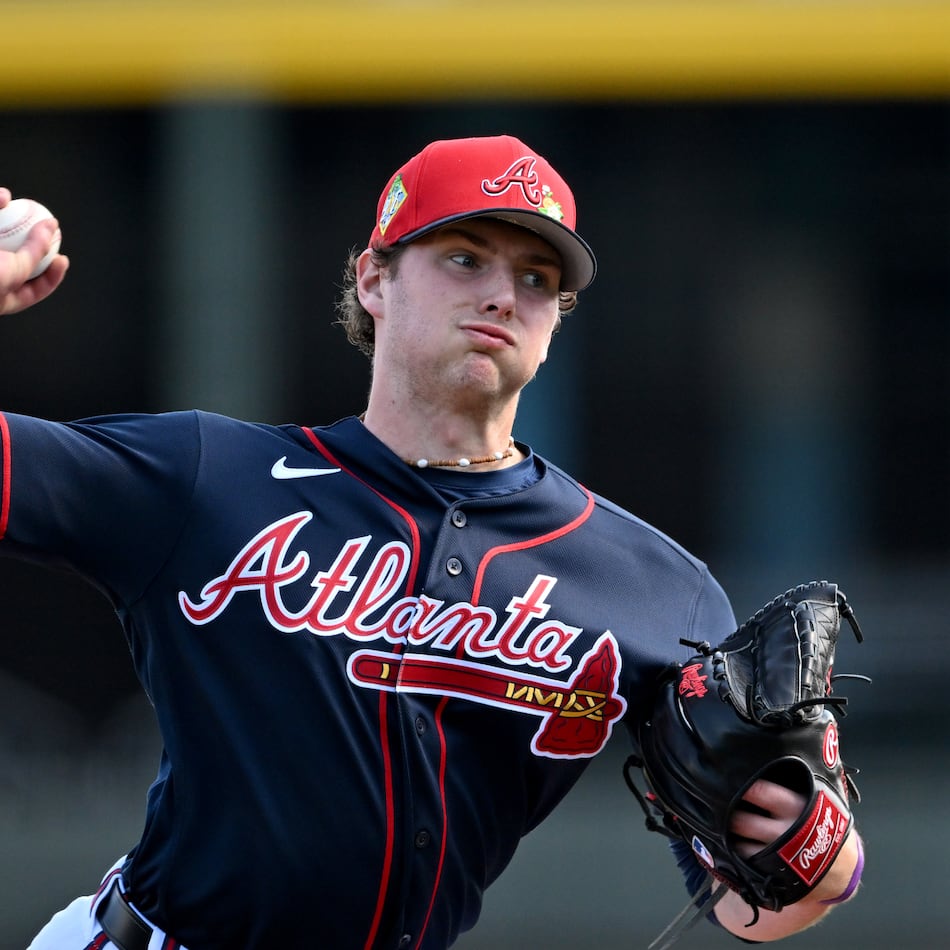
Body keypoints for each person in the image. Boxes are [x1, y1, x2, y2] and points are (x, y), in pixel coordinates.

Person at [0, 135, 862, 950]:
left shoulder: (656, 591)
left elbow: (746, 907)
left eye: (535, 277)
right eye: (464, 259)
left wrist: (822, 859)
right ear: (374, 279)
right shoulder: (208, 480)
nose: (501, 294)